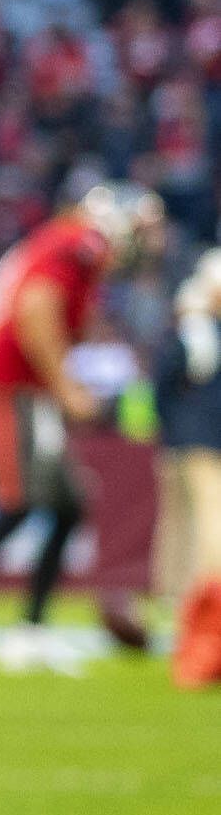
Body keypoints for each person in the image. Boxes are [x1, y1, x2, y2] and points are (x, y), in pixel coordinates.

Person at [0, 183, 165, 676]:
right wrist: (65, 385)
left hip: (21, 388)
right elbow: (35, 311)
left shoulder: (66, 245)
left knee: (67, 504)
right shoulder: (77, 244)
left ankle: (30, 632)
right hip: (3, 386)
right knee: (20, 500)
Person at [158, 251, 221, 634]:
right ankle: (205, 598)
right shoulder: (201, 333)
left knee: (178, 523)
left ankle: (177, 596)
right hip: (201, 441)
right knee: (206, 520)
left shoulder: (194, 329)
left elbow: (163, 386)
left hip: (180, 439)